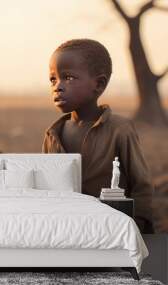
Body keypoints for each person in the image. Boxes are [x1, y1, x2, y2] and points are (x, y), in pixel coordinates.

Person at [42, 39, 154, 233]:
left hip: (111, 227)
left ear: (99, 84)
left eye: (68, 78)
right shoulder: (53, 134)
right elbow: (45, 188)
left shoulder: (121, 129)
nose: (57, 87)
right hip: (65, 228)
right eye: (53, 79)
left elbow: (141, 185)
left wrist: (138, 229)